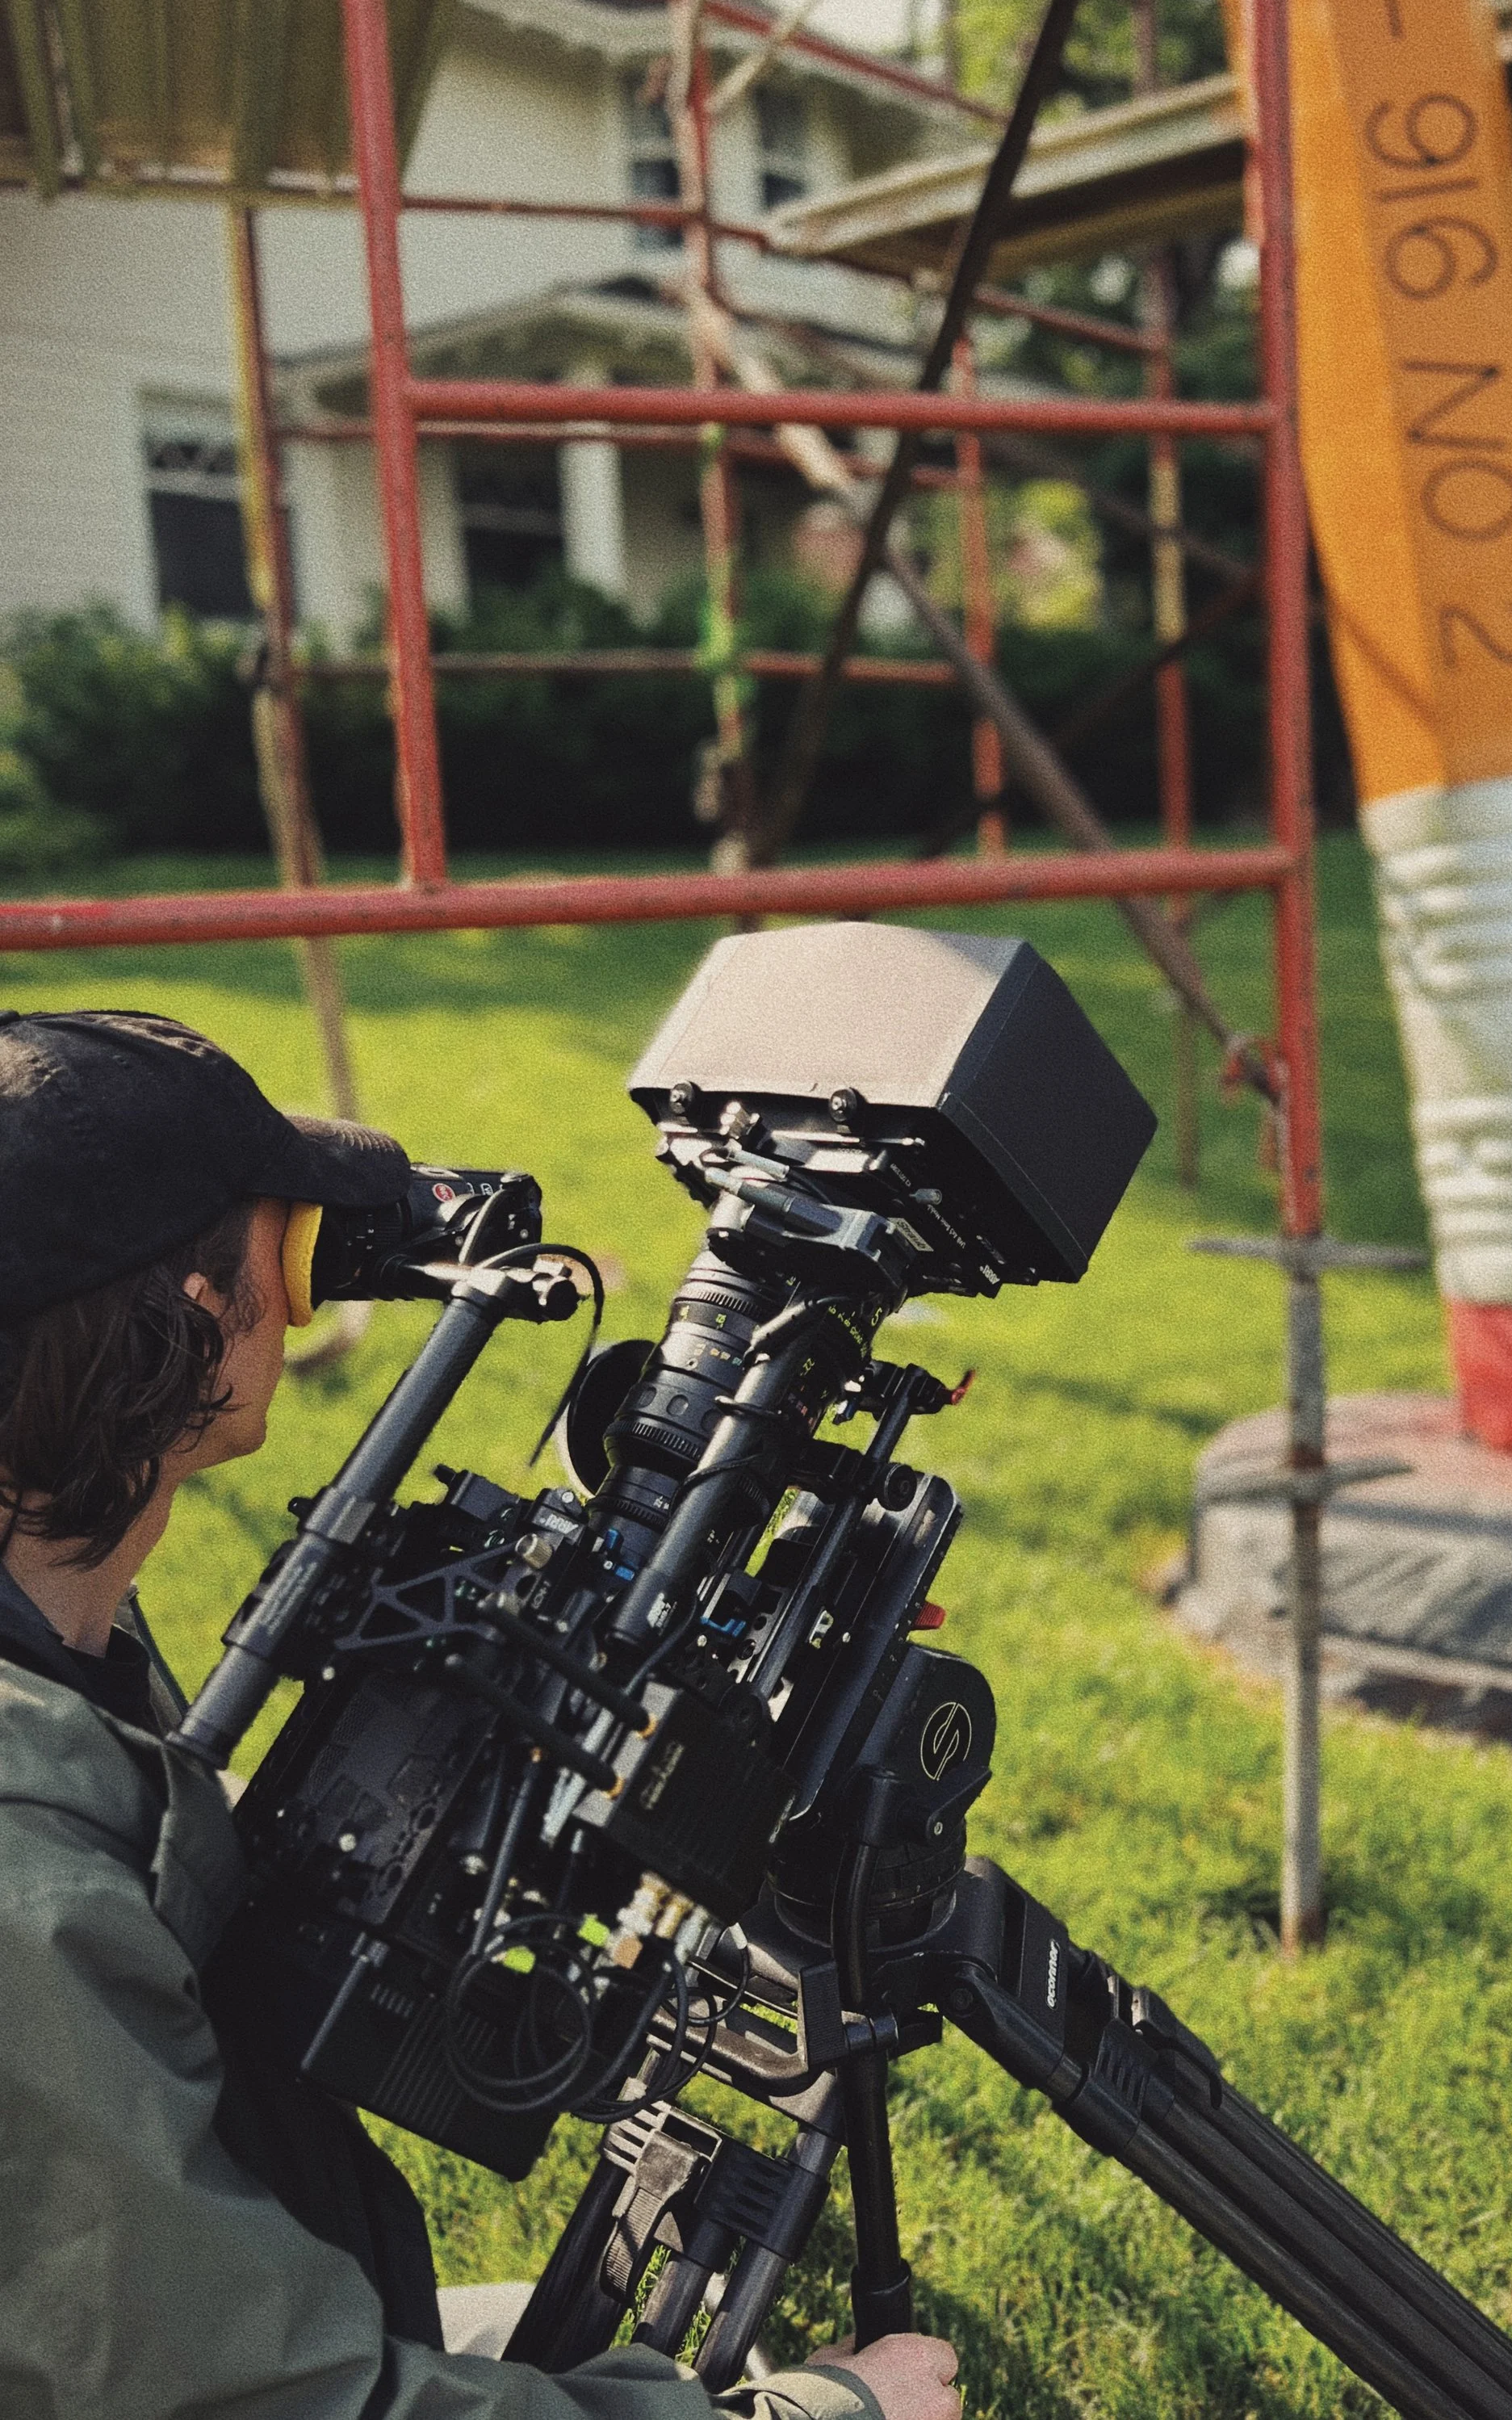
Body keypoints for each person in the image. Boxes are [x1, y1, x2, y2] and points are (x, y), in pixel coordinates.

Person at [0, 1006, 961, 2420]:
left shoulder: (59, 1625)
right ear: (205, 1314)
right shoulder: (27, 1889)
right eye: (286, 1244)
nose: (312, 1281)